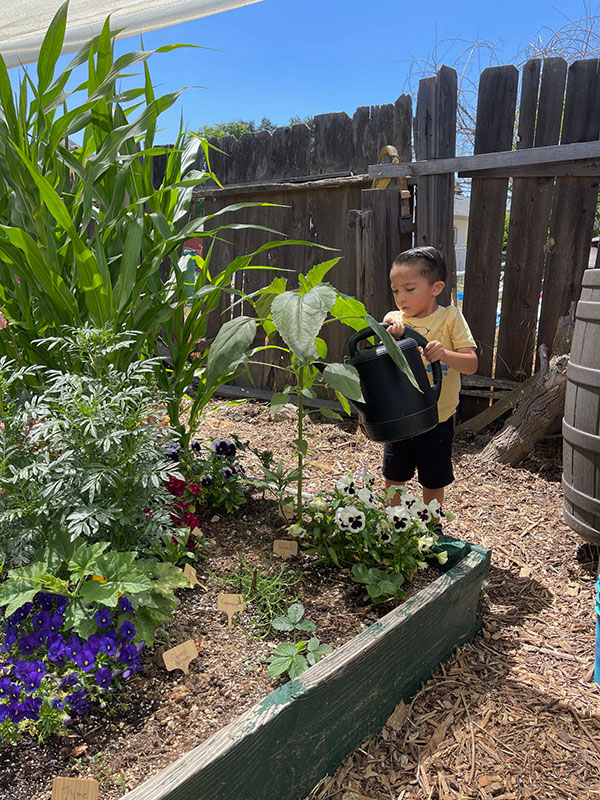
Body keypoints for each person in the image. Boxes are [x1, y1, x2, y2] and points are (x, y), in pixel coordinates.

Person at [382, 246, 478, 508]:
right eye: (395, 290)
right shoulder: (393, 321)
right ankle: (394, 523)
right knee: (394, 474)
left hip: (438, 417)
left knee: (433, 479)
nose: (401, 297)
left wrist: (444, 355)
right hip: (401, 415)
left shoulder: (450, 318)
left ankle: (431, 525)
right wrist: (391, 337)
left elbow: (471, 364)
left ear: (436, 287)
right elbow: (382, 362)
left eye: (409, 289)